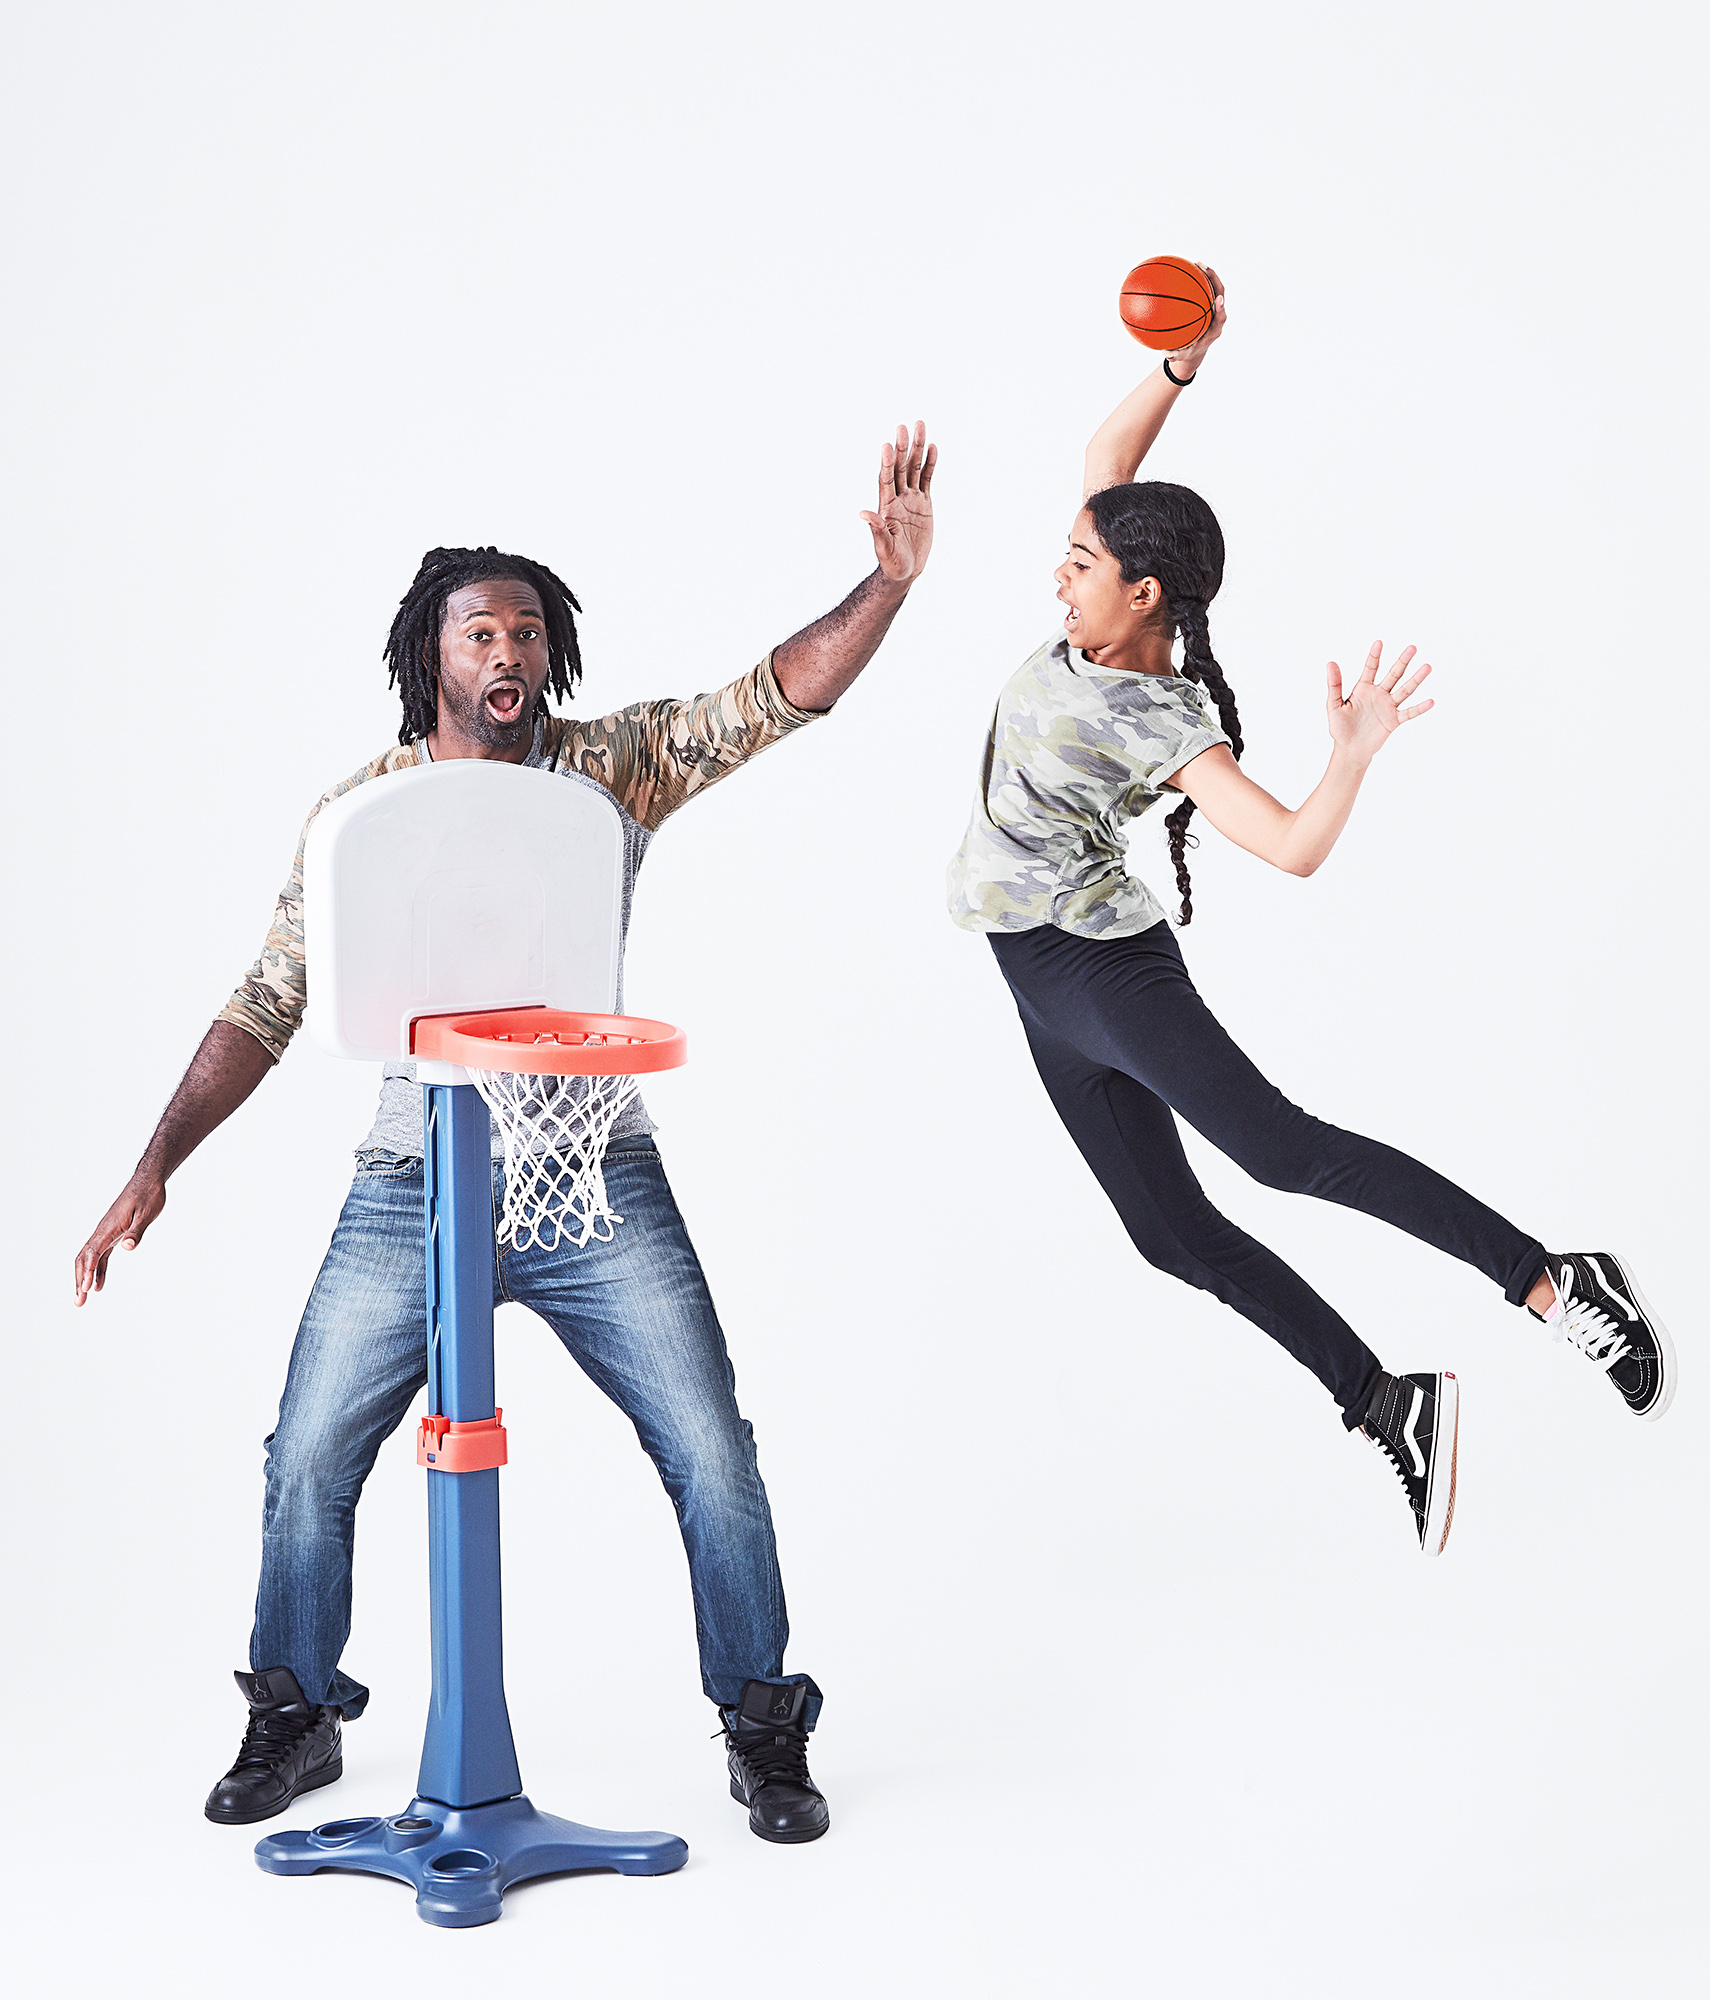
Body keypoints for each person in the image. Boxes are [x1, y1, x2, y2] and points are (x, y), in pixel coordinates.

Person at [74, 421, 938, 1841]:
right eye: (482, 630)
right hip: (412, 1178)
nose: (510, 651)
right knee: (306, 1452)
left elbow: (768, 699)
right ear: (435, 658)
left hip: (590, 1169)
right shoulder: (359, 817)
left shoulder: (609, 773)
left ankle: (761, 1720)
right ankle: (294, 1713)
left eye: (529, 630)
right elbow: (268, 1000)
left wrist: (887, 588)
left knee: (710, 1444)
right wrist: (153, 1164)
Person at [947, 274, 1674, 1555]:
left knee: (1284, 1152)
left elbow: (1284, 846)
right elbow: (1109, 457)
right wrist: (1182, 362)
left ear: (1147, 597)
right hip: (1038, 986)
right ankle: (1389, 1403)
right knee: (1170, 1235)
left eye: (1082, 567)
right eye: (1066, 557)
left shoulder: (1166, 720)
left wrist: (1350, 756)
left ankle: (1555, 1280)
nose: (1057, 580)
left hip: (1108, 978)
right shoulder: (1097, 605)